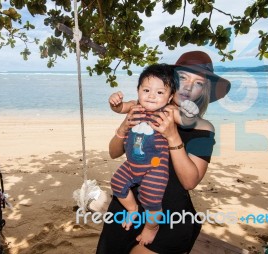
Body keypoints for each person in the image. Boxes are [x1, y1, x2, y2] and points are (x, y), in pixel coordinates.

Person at [96, 51, 231, 254]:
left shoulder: (203, 128)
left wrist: (173, 136)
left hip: (169, 217)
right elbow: (114, 152)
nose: (188, 86)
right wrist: (124, 127)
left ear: (203, 91)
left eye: (198, 83)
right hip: (126, 207)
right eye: (183, 78)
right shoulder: (145, 108)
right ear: (171, 81)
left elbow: (189, 182)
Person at [109, 64, 199, 246]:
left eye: (160, 92)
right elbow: (119, 108)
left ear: (170, 97)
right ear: (138, 90)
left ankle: (151, 227)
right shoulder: (135, 106)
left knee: (151, 197)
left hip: (155, 167)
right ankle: (132, 208)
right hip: (132, 164)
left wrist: (189, 109)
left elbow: (187, 120)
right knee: (116, 183)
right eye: (147, 90)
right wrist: (115, 102)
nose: (151, 96)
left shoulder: (168, 111)